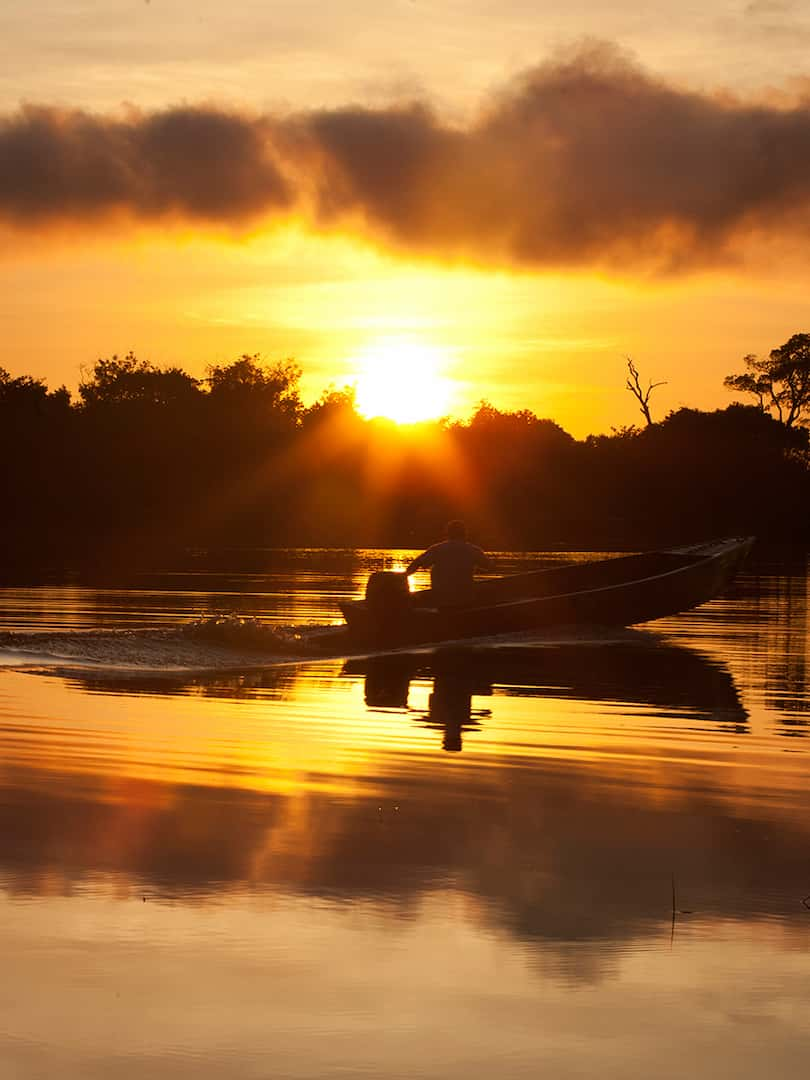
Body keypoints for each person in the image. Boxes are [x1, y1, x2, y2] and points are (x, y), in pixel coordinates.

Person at [404, 521, 493, 607]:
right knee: (487, 588)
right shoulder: (473, 550)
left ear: (447, 534)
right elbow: (489, 566)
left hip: (441, 600)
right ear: (465, 534)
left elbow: (415, 565)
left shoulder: (436, 549)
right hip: (465, 599)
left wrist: (402, 579)